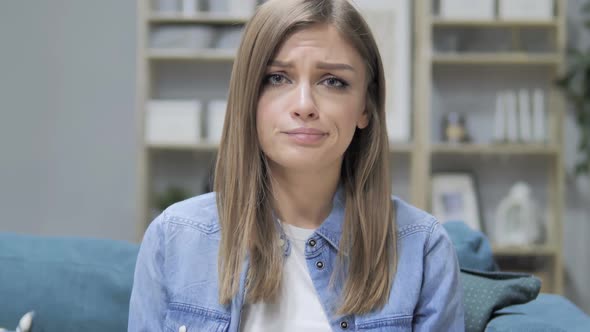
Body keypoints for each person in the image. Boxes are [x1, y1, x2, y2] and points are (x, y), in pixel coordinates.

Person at [128, 0, 465, 331]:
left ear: (365, 106)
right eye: (278, 78)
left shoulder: (423, 248)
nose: (304, 105)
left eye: (333, 81)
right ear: (249, 97)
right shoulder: (172, 237)